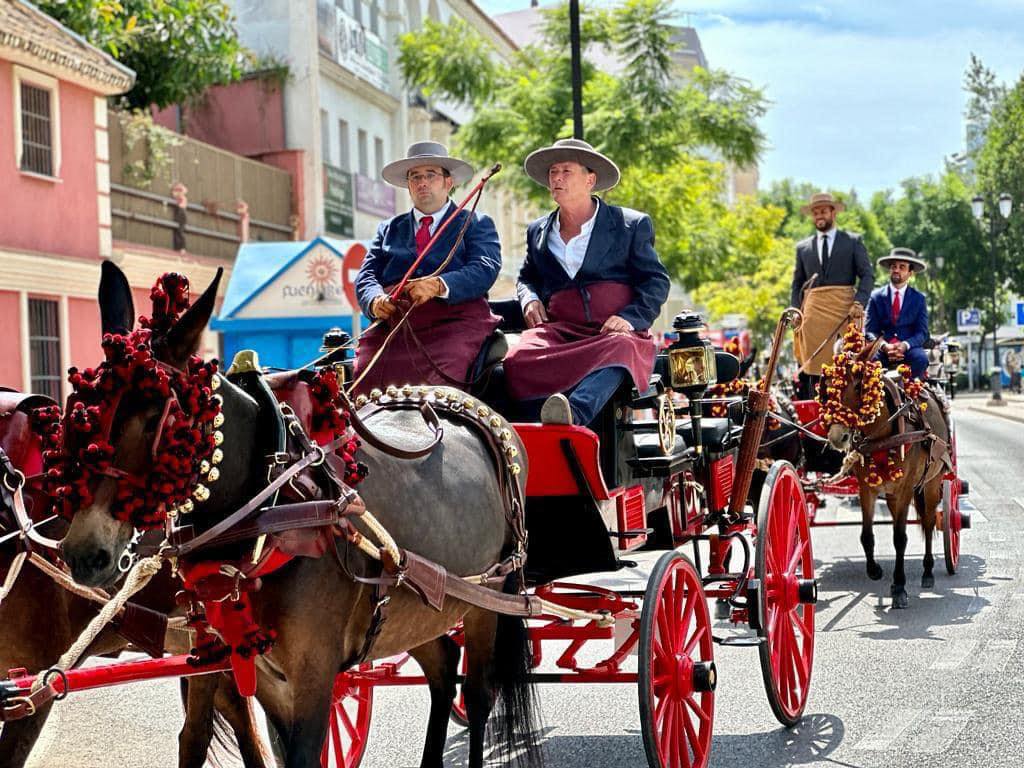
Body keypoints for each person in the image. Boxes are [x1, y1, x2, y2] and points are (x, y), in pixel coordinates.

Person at [503, 138, 670, 426]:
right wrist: (528, 298)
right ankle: (522, 429)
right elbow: (527, 278)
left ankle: (572, 414)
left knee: (622, 349)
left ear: (590, 180)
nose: (556, 178)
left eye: (566, 171)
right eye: (553, 172)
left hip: (611, 332)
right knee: (517, 357)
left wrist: (630, 318)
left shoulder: (631, 224)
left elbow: (656, 281)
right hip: (559, 332)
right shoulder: (538, 231)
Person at [352, 142, 501, 393]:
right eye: (415, 177)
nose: (422, 183)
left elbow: (485, 268)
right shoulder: (389, 228)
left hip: (454, 325)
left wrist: (438, 285)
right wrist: (375, 300)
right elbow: (366, 275)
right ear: (408, 184)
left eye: (430, 175)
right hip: (394, 328)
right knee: (364, 386)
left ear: (448, 182)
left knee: (440, 394)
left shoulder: (476, 222)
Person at [790, 192, 874, 398]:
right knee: (812, 364)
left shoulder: (853, 241)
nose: (819, 216)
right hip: (813, 314)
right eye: (815, 212)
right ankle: (814, 409)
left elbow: (867, 275)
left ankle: (849, 408)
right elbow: (797, 283)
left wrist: (859, 302)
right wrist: (795, 311)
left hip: (845, 311)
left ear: (833, 213)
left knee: (848, 361)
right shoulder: (802, 248)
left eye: (824, 211)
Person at [865, 247, 930, 378]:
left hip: (909, 349)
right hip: (883, 349)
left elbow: (922, 333)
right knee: (868, 364)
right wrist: (884, 346)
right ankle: (877, 395)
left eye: (902, 267)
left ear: (910, 273)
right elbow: (869, 331)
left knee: (922, 360)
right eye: (894, 266)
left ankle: (908, 394)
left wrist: (905, 345)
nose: (896, 270)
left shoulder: (919, 299)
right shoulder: (875, 297)